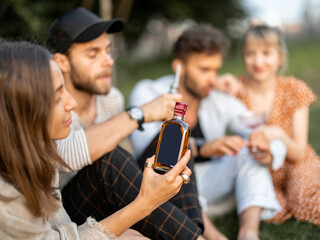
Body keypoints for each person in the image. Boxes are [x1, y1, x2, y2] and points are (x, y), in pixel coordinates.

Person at [0, 41, 193, 239]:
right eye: (57, 97)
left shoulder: (38, 146)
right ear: (20, 111)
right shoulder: (6, 204)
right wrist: (145, 203)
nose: (71, 103)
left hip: (69, 223)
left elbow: (58, 222)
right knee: (111, 160)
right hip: (78, 207)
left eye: (109, 50)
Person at [46, 7, 205, 239]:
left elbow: (125, 169)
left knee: (172, 145)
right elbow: (63, 156)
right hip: (68, 211)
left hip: (104, 198)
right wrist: (139, 114)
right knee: (110, 161)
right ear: (62, 62)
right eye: (93, 54)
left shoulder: (111, 100)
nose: (108, 61)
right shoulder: (49, 108)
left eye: (108, 51)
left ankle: (201, 230)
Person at [129, 25, 288, 240]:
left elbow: (260, 131)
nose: (213, 79)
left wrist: (266, 148)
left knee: (245, 151)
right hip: (162, 187)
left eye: (215, 70)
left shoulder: (216, 98)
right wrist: (203, 148)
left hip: (207, 181)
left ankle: (248, 233)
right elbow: (147, 148)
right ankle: (212, 236)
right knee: (170, 159)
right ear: (179, 67)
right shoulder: (148, 91)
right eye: (204, 70)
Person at [218, 21, 320, 229]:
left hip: (295, 161)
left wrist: (279, 135)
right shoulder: (237, 89)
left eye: (266, 53)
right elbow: (204, 85)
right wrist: (222, 81)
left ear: (280, 57)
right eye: (250, 53)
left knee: (306, 206)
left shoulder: (294, 89)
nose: (258, 61)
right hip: (261, 168)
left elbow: (299, 152)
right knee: (271, 212)